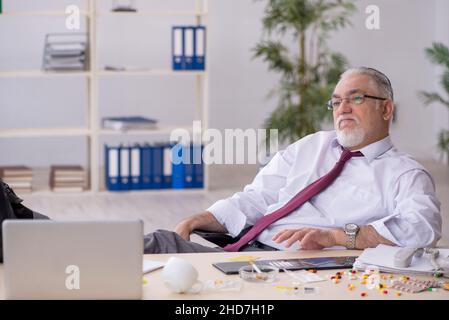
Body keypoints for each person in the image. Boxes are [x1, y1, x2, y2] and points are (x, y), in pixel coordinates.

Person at [0, 67, 442, 257]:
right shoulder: (313, 145)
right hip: (244, 245)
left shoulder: (404, 174)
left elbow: (422, 228)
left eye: (356, 98)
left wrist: (336, 235)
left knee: (152, 248)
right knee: (160, 245)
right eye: (336, 101)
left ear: (386, 108)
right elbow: (260, 196)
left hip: (287, 262)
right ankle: (22, 226)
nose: (342, 108)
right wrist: (203, 217)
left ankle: (27, 235)